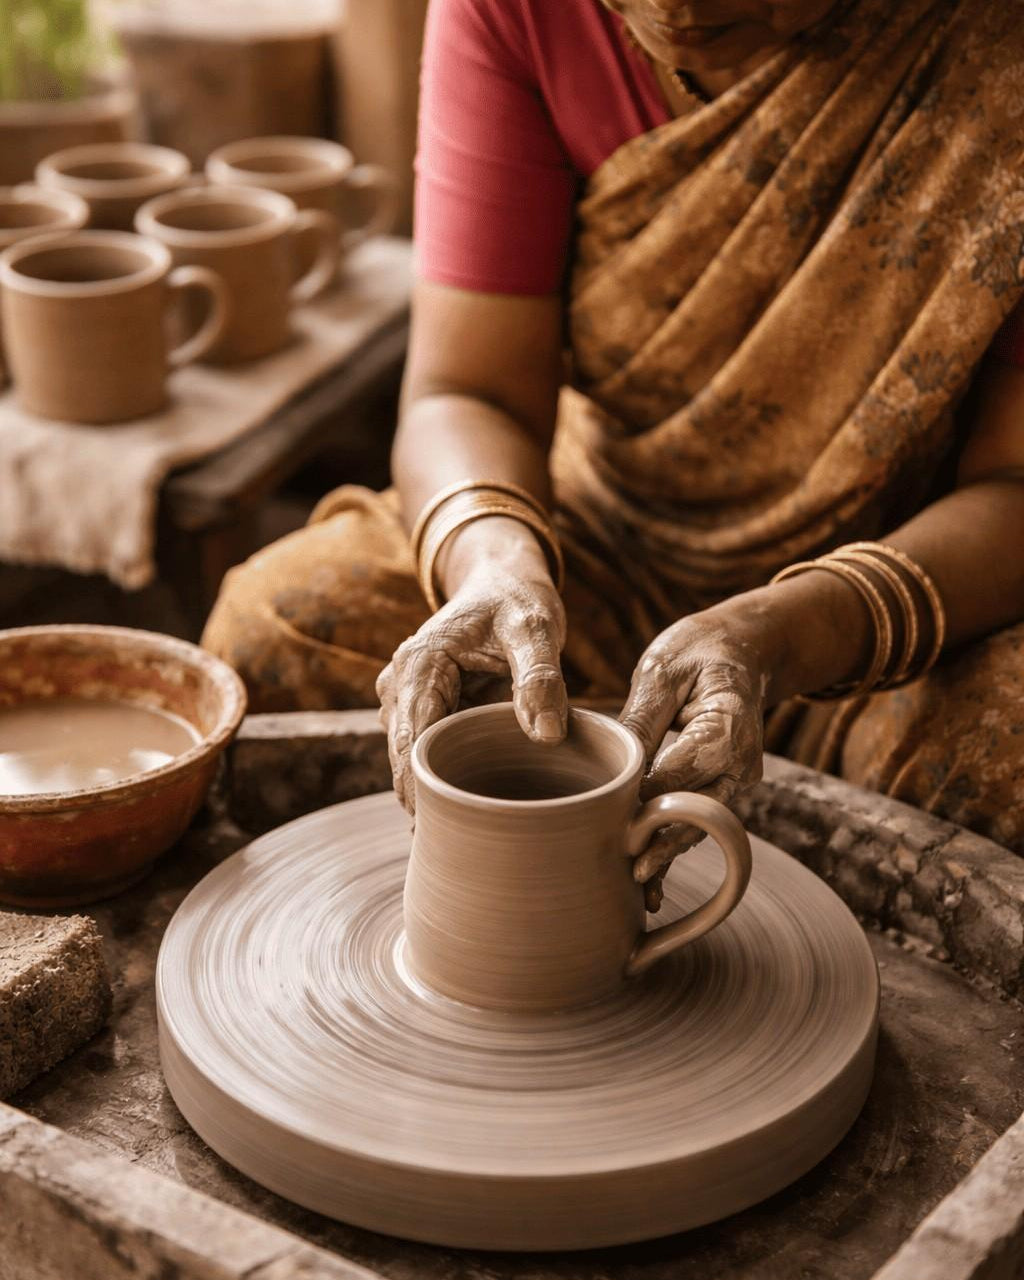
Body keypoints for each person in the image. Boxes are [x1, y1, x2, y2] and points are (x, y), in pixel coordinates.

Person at [204, 0, 1024, 906]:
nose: (675, 7)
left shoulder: (992, 46)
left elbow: (1015, 485)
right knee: (277, 630)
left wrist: (789, 633)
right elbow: (463, 391)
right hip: (598, 548)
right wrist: (495, 567)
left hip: (898, 610)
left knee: (1005, 757)